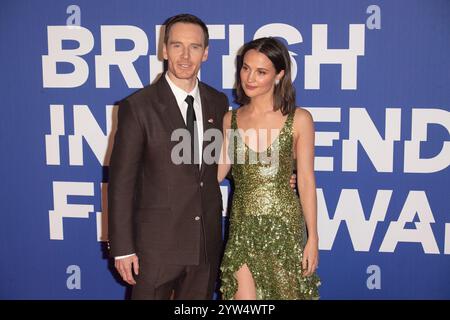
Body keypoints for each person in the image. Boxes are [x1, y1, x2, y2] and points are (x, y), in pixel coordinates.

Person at [107, 13, 229, 299]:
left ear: (206, 53)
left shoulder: (218, 101)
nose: (185, 56)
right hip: (155, 249)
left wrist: (278, 177)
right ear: (164, 49)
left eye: (195, 47)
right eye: (177, 46)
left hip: (204, 247)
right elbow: (121, 184)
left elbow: (218, 162)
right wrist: (123, 248)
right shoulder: (137, 107)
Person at [218, 37, 321, 300]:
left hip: (284, 227)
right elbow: (215, 174)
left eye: (261, 71)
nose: (249, 78)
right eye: (245, 68)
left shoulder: (299, 119)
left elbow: (307, 180)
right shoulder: (230, 119)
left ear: (279, 75)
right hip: (241, 228)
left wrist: (313, 238)